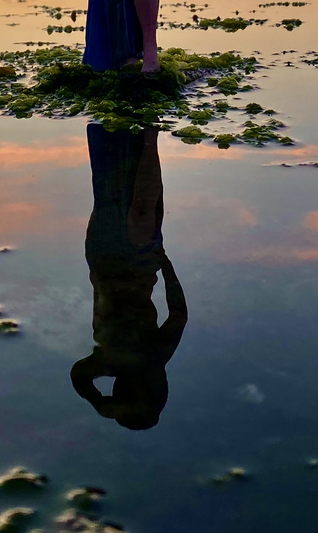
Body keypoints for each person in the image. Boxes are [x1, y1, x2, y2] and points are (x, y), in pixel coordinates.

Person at [70, 124, 187, 431]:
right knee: (136, 198)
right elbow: (178, 316)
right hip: (132, 262)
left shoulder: (111, 363)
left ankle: (131, 129)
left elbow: (78, 375)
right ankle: (145, 132)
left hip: (111, 261)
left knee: (112, 192)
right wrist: (165, 265)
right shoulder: (149, 359)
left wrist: (98, 402)